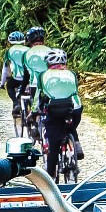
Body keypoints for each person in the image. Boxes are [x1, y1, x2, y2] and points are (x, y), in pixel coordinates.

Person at [38, 48, 84, 179]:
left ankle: (51, 178)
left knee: (53, 145)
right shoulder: (72, 74)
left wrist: (35, 111)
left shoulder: (43, 75)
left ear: (48, 63)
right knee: (70, 125)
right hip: (74, 109)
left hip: (54, 110)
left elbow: (39, 96)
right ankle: (76, 143)